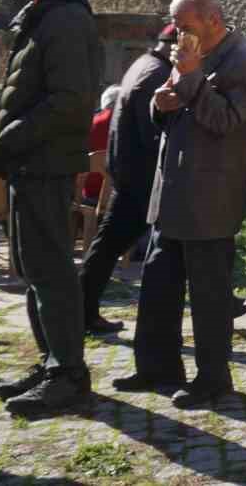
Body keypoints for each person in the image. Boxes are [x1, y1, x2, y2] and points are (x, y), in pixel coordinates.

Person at [114, 0, 246, 409]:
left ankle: (213, 381)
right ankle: (157, 367)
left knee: (209, 298)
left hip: (209, 199)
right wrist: (159, 106)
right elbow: (173, 113)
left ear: (213, 20)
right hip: (172, 194)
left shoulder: (241, 61)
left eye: (185, 25)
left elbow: (227, 121)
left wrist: (192, 76)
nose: (178, 33)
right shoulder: (190, 53)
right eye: (175, 25)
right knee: (157, 288)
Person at [0, 0, 102, 416]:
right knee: (35, 269)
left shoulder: (65, 18)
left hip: (46, 164)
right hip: (30, 162)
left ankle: (68, 374)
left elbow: (69, 101)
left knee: (51, 271)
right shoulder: (42, 14)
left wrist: (7, 141)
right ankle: (52, 362)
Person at [80, 25, 175, 333]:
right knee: (111, 246)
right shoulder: (157, 74)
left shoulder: (144, 63)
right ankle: (79, 311)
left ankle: (80, 310)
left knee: (108, 245)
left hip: (130, 173)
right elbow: (153, 132)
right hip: (141, 178)